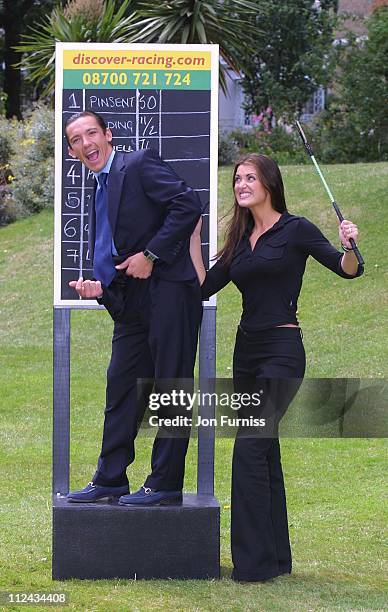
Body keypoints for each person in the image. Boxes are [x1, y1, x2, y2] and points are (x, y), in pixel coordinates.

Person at [189, 153, 363, 581]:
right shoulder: (239, 240)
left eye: (249, 178)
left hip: (283, 351)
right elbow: (204, 285)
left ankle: (251, 567)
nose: (241, 185)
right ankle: (275, 560)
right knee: (264, 453)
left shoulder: (296, 229)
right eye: (237, 179)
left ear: (269, 182)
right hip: (245, 353)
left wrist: (350, 244)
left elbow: (347, 271)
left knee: (248, 449)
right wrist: (192, 235)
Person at [65, 111, 202, 506]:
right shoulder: (99, 185)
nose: (86, 143)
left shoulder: (138, 163)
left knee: (171, 388)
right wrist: (101, 287)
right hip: (130, 301)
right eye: (77, 139)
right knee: (121, 387)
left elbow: (187, 204)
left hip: (169, 291)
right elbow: (115, 242)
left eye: (92, 133)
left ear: (108, 135)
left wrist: (151, 254)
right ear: (73, 151)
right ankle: (110, 478)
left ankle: (164, 483)